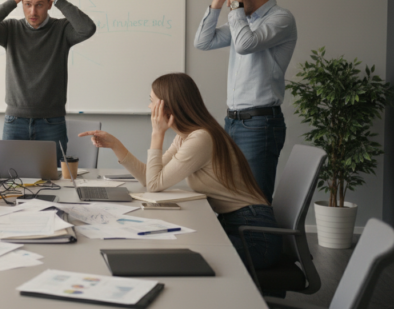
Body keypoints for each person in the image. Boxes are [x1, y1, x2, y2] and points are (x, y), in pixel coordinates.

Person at [79, 73, 282, 270]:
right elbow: (150, 178)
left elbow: (154, 185)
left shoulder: (200, 138)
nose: (149, 107)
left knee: (181, 252)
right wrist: (116, 145)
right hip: (236, 224)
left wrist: (157, 133)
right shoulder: (186, 136)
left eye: (152, 101)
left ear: (166, 106)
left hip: (255, 236)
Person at [193, 0, 297, 203]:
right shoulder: (243, 19)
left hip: (260, 124)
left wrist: (236, 6)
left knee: (254, 200)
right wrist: (218, 1)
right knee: (232, 198)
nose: (231, 3)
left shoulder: (281, 18)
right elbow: (203, 42)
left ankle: (261, 242)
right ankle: (239, 242)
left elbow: (244, 45)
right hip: (233, 122)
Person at [0, 0, 96, 165]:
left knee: (53, 181)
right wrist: (12, 1)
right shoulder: (11, 29)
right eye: (27, 4)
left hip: (52, 122)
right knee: (9, 180)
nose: (32, 11)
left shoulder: (62, 30)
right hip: (15, 121)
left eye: (39, 5)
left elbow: (87, 28)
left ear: (49, 4)